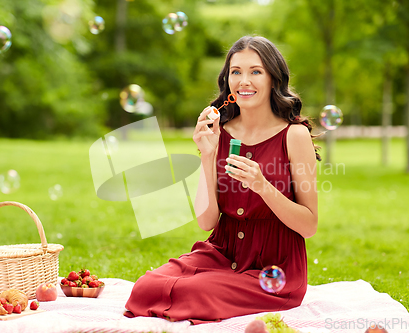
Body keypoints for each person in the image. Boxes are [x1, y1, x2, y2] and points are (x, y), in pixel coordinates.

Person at [124, 35, 320, 324]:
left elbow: (309, 224)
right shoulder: (221, 132)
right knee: (145, 288)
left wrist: (263, 187)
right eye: (236, 71)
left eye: (256, 71)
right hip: (223, 251)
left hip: (274, 267)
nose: (244, 81)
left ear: (273, 78)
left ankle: (207, 291)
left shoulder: (294, 135)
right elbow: (207, 222)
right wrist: (207, 155)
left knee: (194, 292)